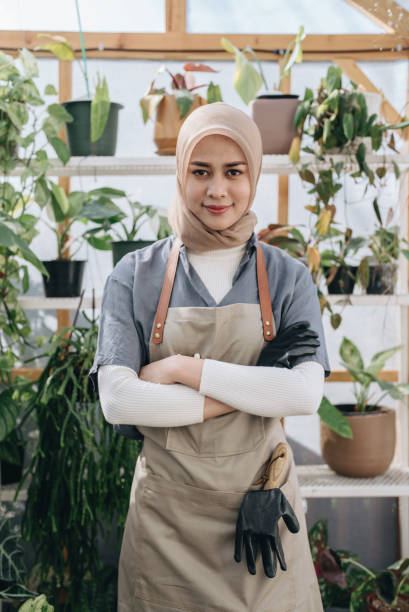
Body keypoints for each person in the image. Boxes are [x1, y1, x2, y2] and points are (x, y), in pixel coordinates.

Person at [90, 102, 331, 612]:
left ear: (254, 175)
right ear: (181, 174)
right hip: (168, 529)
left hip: (263, 513)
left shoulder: (286, 276)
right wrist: (253, 390)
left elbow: (305, 393)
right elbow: (119, 401)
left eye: (233, 172)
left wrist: (182, 369)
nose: (217, 190)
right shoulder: (135, 276)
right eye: (201, 172)